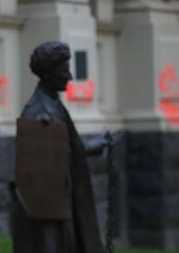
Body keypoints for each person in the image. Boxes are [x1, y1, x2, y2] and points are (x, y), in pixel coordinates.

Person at [11, 41, 108, 253]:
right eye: (64, 70)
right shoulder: (37, 113)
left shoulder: (53, 104)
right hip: (52, 214)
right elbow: (41, 184)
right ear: (48, 74)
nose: (70, 77)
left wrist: (91, 147)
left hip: (66, 204)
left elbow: (61, 150)